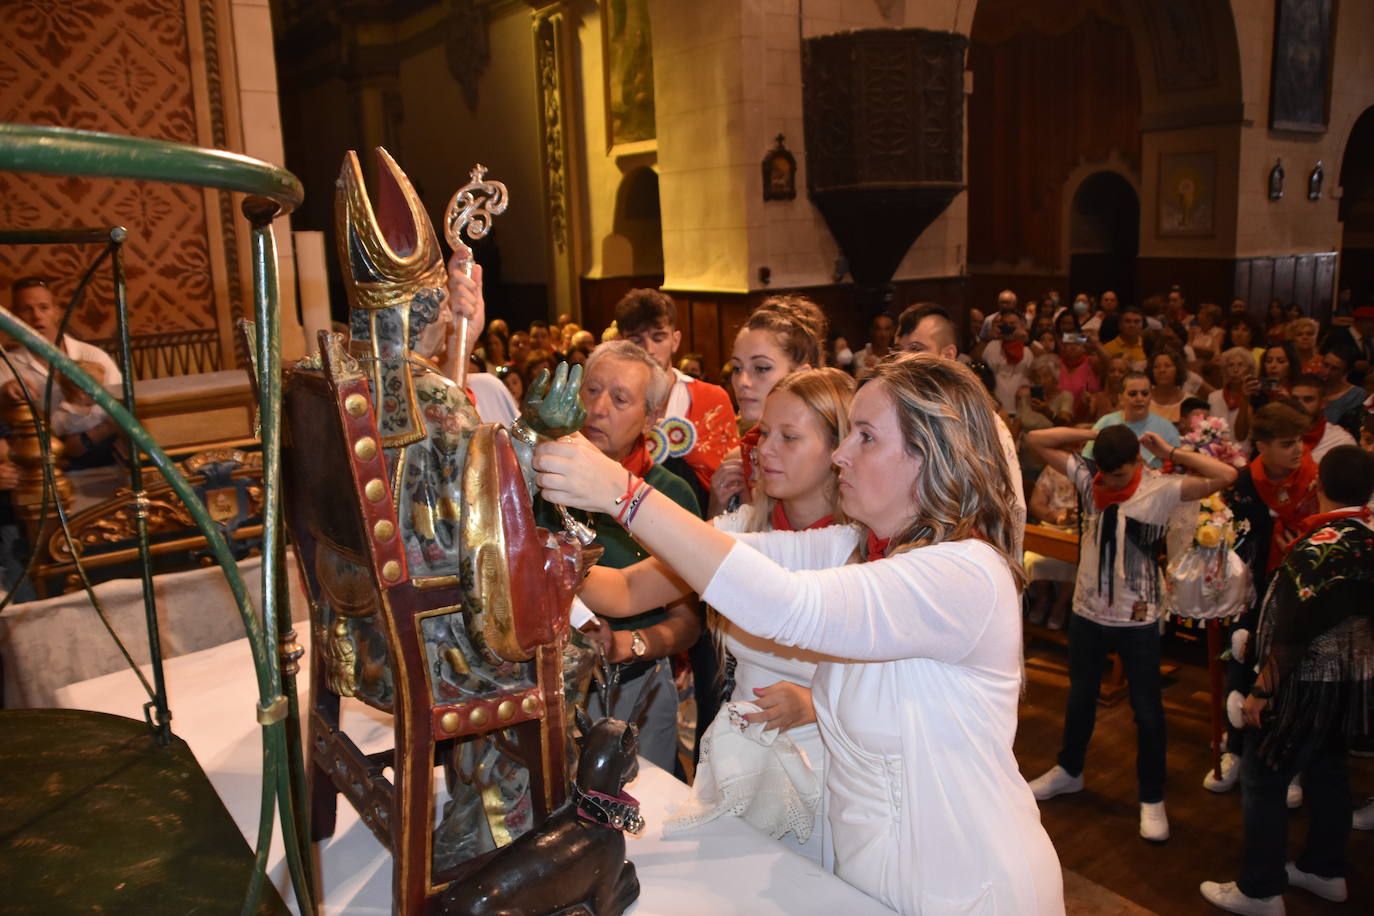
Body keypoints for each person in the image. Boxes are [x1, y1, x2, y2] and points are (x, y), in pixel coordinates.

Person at [534, 352, 1065, 914]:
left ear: (927, 456)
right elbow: (727, 563)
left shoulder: (965, 575)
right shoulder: (850, 549)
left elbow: (784, 605)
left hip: (968, 887)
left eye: (865, 437)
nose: (841, 453)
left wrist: (624, 492)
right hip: (865, 881)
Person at [577, 368, 854, 862]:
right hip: (743, 751)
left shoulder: (861, 548)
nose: (765, 449)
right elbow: (623, 591)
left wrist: (818, 703)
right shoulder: (738, 529)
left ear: (839, 451)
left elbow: (895, 681)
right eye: (764, 433)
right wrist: (543, 557)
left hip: (831, 762)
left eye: (789, 437)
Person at [1026, 424, 1239, 842]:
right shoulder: (1088, 476)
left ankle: (1151, 796)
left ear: (1137, 463)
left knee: (1147, 710)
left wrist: (1172, 450)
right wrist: (1091, 431)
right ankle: (1070, 769)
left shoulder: (1160, 487)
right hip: (1088, 611)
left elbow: (1226, 476)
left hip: (1137, 618)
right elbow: (1035, 440)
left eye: (1120, 474)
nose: (1111, 481)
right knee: (1080, 696)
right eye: (1106, 474)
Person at [1200, 446, 1374, 915]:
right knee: (1328, 770)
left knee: (1263, 775)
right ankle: (1324, 869)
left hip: (1306, 683)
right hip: (1354, 680)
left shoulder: (1319, 547)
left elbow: (1293, 632)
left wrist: (1261, 690)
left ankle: (1260, 889)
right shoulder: (1367, 536)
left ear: (1318, 486)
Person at [535, 339, 702, 772]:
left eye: (620, 398)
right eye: (590, 390)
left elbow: (687, 624)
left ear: (650, 418)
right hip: (544, 687)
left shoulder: (669, 496)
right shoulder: (540, 479)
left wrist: (629, 644)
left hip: (636, 685)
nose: (598, 407)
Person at [1204, 403, 1320, 794]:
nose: (1298, 450)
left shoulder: (1314, 483)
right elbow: (1230, 534)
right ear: (1262, 446)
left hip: (1297, 596)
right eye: (1288, 443)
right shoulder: (1241, 482)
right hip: (1251, 594)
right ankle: (1235, 750)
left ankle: (1289, 762)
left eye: (1301, 441)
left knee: (1290, 674)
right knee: (1240, 662)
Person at [616, 288, 739, 499]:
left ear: (675, 340)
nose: (648, 350)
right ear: (621, 343)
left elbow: (729, 481)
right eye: (636, 340)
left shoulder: (713, 399)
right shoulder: (608, 403)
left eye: (659, 338)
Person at [710, 296, 827, 516]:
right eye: (736, 368)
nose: (742, 381)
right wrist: (718, 504)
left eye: (761, 368)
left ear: (801, 374)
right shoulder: (737, 461)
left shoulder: (833, 461)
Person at [3, 277, 125, 469]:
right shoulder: (7, 366)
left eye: (44, 307)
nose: (36, 316)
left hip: (105, 453)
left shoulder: (92, 355)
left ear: (56, 312)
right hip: (42, 463)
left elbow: (122, 405)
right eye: (27, 309)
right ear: (13, 317)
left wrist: (85, 440)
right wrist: (5, 393)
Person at [1084, 371, 1181, 468]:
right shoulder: (1106, 422)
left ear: (1151, 396)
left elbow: (1179, 467)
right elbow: (1088, 462)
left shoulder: (1167, 427)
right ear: (1120, 397)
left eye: (1145, 393)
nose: (1139, 398)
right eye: (1133, 394)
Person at [1291, 373, 1355, 463]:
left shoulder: (1341, 441)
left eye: (1308, 399)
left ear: (1324, 403)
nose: (1299, 405)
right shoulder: (1276, 435)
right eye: (1295, 399)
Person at [1209, 347, 1257, 449]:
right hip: (1217, 452)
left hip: (1246, 453)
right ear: (1224, 371)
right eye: (1230, 365)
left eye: (1241, 365)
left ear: (1250, 370)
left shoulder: (1256, 397)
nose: (1235, 370)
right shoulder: (1213, 397)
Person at [1320, 344, 1366, 439]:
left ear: (1346, 372)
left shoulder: (1355, 395)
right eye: (1326, 365)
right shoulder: (1313, 386)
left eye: (1335, 369)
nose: (1327, 372)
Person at [1146, 349, 1188, 423]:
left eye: (1168, 366)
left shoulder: (1189, 402)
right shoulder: (1142, 398)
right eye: (1156, 366)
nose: (1161, 370)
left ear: (1178, 369)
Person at [1102, 305, 1148, 370]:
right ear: (1120, 325)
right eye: (1128, 321)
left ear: (1142, 324)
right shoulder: (1108, 349)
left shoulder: (1148, 346)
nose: (1132, 325)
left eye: (1137, 321)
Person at [852, 312, 895, 379]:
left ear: (893, 331)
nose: (883, 334)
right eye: (878, 329)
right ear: (872, 330)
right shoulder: (858, 357)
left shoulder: (897, 358)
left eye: (887, 329)